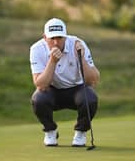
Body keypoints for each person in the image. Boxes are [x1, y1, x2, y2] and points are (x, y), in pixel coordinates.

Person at [30, 18, 100, 147]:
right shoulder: (36, 49)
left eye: (60, 38)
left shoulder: (78, 45)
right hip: (51, 91)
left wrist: (82, 59)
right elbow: (41, 84)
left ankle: (80, 132)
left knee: (90, 97)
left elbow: (93, 80)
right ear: (45, 38)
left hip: (77, 89)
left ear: (66, 37)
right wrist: (52, 61)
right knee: (38, 99)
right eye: (52, 38)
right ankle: (50, 131)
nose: (56, 42)